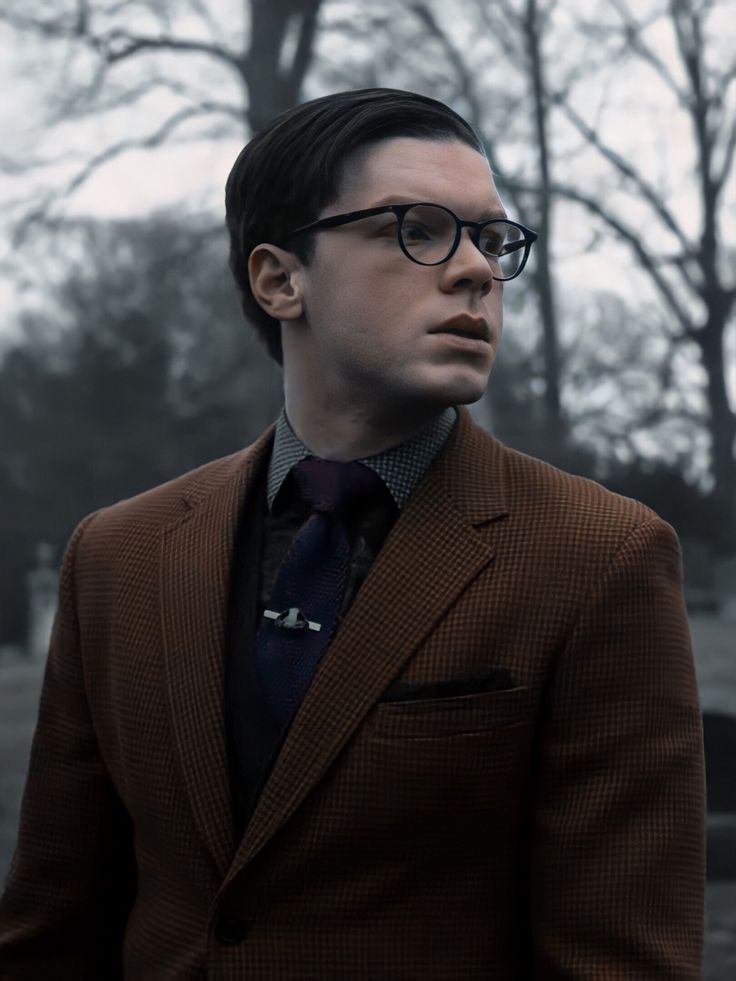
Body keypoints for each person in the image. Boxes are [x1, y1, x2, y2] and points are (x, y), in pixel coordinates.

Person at [0, 87, 705, 979]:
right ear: (279, 278)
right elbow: (51, 931)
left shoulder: (600, 557)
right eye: (417, 227)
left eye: (491, 239)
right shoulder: (115, 555)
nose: (476, 270)